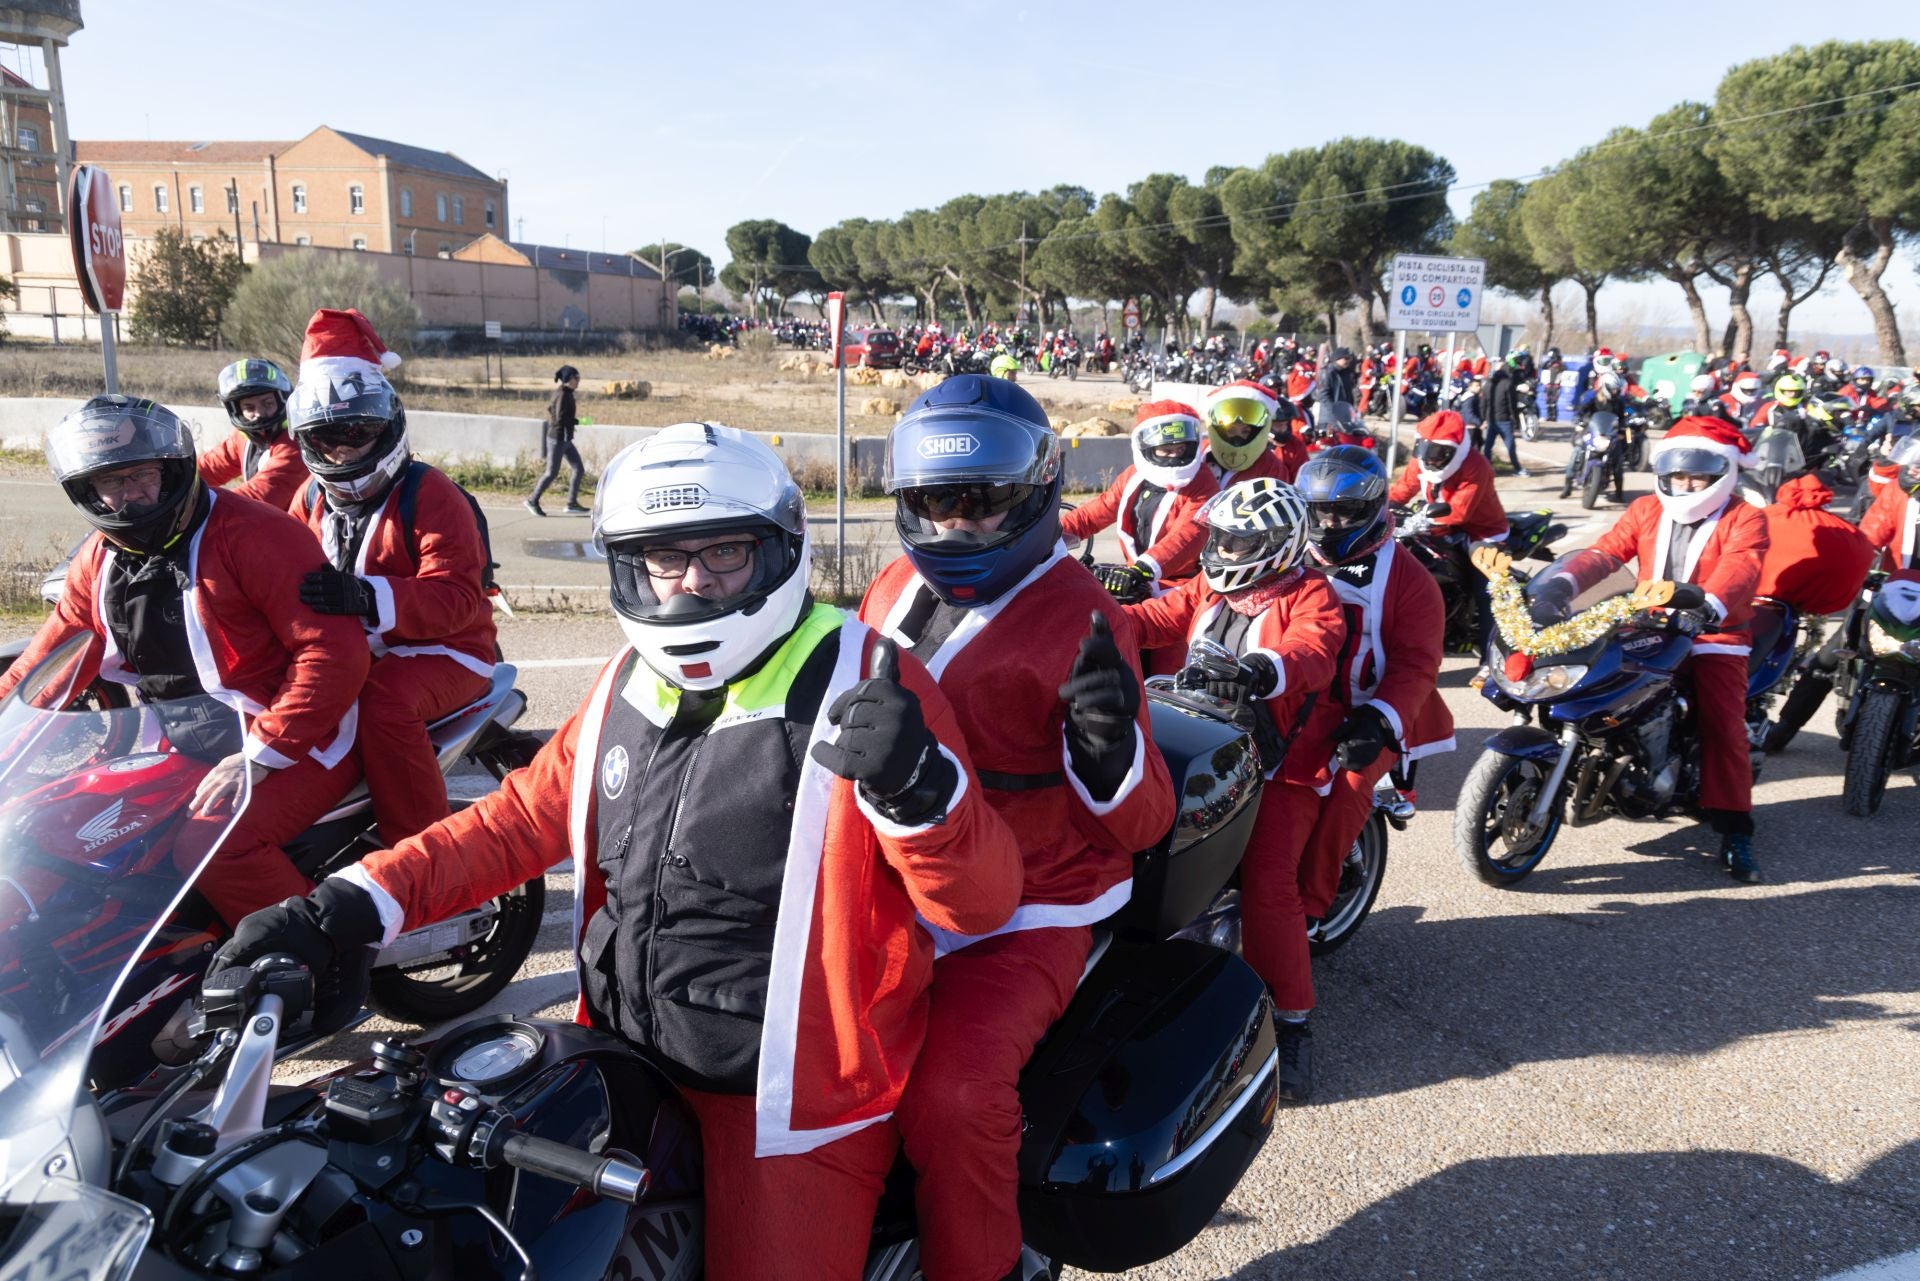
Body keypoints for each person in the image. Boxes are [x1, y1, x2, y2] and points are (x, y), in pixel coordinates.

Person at [214, 422, 1023, 1281]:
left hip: (790, 1102)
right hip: (618, 1061)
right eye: (662, 561)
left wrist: (920, 791)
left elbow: (980, 902)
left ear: (781, 550)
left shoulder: (871, 681)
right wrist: (347, 903)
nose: (689, 585)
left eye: (724, 555)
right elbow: (512, 823)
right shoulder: (628, 681)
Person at [860, 375, 1175, 1281]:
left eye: (986, 502)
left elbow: (1143, 820)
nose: (959, 524)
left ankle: (987, 1266)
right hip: (893, 875)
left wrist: (1109, 745)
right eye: (934, 501)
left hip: (1028, 910)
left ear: (1037, 495)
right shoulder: (891, 585)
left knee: (956, 1100)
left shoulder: (1086, 616)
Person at [0, 395, 367, 926]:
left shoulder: (259, 535)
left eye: (140, 476)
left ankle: (318, 957)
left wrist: (261, 755)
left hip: (299, 739)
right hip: (181, 736)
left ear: (171, 471)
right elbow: (47, 663)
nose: (128, 497)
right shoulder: (100, 558)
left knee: (212, 847)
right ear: (86, 492)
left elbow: (331, 654)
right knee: (65, 828)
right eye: (110, 483)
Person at [1122, 478, 1344, 1101]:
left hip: (1282, 765)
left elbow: (1314, 652)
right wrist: (1084, 611)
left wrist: (1260, 669)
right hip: (1203, 745)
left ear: (1277, 543)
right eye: (1220, 535)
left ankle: (1294, 1023)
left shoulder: (1310, 593)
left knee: (1268, 882)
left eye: (1238, 539)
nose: (1222, 547)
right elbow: (1151, 619)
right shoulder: (1208, 586)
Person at [284, 309, 497, 847]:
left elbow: (456, 601)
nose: (344, 446)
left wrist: (362, 596)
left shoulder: (430, 492)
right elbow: (278, 570)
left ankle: (418, 857)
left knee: (383, 702)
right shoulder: (308, 497)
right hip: (353, 650)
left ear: (389, 422)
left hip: (450, 651)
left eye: (359, 429)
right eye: (327, 435)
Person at [1530, 416, 1770, 882]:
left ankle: (1737, 829)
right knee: (1583, 674)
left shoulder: (1746, 517)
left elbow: (1741, 568)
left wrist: (1706, 604)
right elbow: (1606, 553)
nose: (1686, 484)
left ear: (1723, 472)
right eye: (1678, 474)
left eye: (1698, 475)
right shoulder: (1645, 509)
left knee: (1723, 725)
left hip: (1713, 631)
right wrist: (1561, 584)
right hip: (1644, 621)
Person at [1292, 451, 1454, 922]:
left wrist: (1378, 720)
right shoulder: (1289, 549)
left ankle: (1308, 911)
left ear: (1374, 507)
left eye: (1343, 510)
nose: (1330, 521)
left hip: (1369, 707)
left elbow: (1417, 665)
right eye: (1319, 510)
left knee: (1349, 785)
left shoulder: (1411, 580)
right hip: (1294, 697)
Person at [1064, 399, 1219, 608]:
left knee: (1140, 633)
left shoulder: (1203, 483)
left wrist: (1144, 568)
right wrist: (1052, 535)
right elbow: (1096, 512)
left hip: (1182, 589)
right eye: (1166, 449)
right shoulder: (1134, 476)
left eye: (1180, 449)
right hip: (1136, 579)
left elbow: (1190, 535)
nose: (1174, 456)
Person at [198, 358, 311, 510]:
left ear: (282, 399)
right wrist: (173, 480)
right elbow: (209, 467)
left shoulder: (297, 442)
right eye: (249, 407)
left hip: (297, 529)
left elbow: (261, 495)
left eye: (267, 403)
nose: (259, 413)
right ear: (237, 411)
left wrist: (201, 509)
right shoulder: (244, 438)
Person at [1202, 380, 1297, 486]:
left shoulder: (1272, 468)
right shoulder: (1201, 454)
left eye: (1245, 431)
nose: (1237, 439)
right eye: (1231, 431)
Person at [526, 364, 589, 517]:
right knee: (551, 473)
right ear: (569, 379)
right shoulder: (562, 395)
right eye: (576, 378)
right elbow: (560, 418)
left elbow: (551, 409)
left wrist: (574, 422)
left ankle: (571, 503)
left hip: (566, 439)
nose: (578, 381)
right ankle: (532, 500)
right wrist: (577, 422)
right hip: (557, 439)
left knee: (578, 469)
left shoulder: (566, 393)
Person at [1859, 435, 1920, 571]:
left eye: (1918, 464)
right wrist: (1861, 559)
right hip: (1902, 577)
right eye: (1912, 463)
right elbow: (1873, 530)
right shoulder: (1897, 489)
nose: (1912, 470)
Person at [1480, 356, 1529, 475]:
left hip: (1491, 419)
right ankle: (1517, 468)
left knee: (1488, 446)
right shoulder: (1508, 384)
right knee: (1510, 446)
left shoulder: (1488, 384)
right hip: (1504, 420)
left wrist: (1483, 419)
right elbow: (1512, 404)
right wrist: (1515, 419)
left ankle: (1486, 468)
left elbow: (1483, 403)